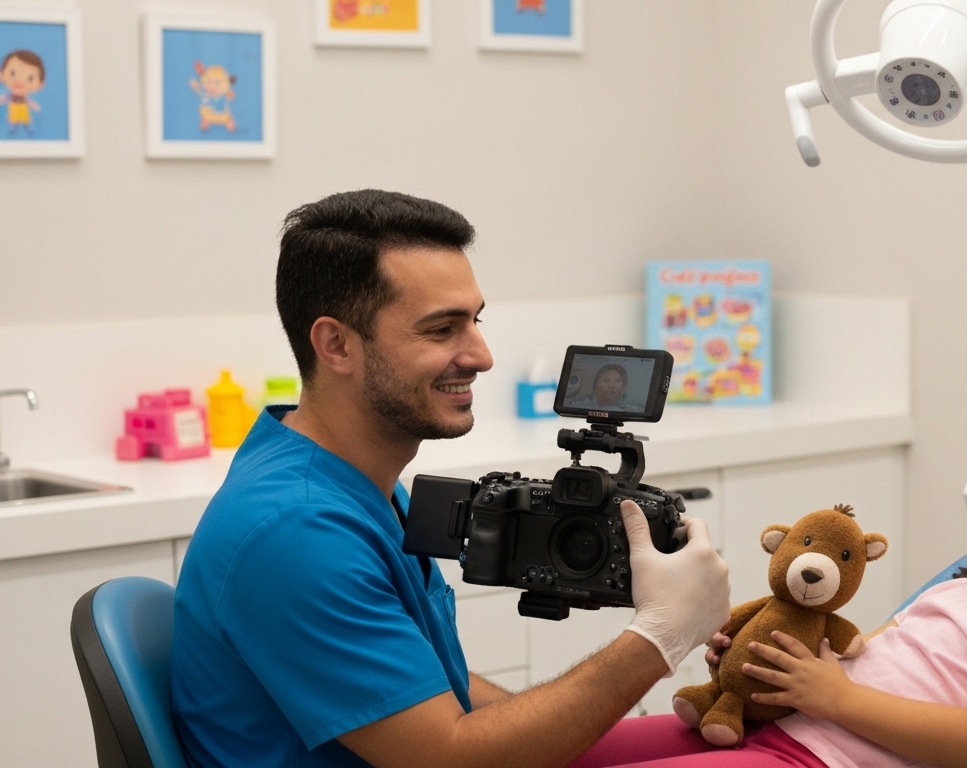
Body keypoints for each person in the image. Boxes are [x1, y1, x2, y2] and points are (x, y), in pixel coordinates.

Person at [170, 190, 731, 768]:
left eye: (475, 320)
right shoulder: (296, 531)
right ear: (336, 344)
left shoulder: (354, 484)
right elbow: (448, 759)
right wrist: (659, 638)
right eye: (442, 330)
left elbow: (435, 693)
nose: (482, 355)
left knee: (760, 738)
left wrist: (555, 736)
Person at [564, 422, 967, 768]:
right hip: (774, 733)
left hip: (815, 763)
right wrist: (766, 666)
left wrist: (834, 696)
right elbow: (848, 661)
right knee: (571, 750)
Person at [566, 363, 641, 411]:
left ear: (623, 386)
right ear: (596, 384)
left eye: (618, 381)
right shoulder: (578, 406)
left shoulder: (630, 409)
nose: (611, 386)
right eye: (606, 380)